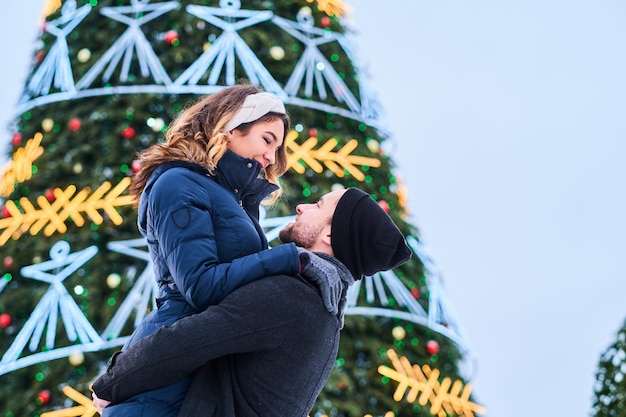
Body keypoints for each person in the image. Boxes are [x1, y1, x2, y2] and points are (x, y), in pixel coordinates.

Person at [106, 84, 329, 416]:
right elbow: (201, 285)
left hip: (199, 364)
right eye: (267, 139)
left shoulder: (233, 199)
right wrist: (288, 257)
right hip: (166, 373)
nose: (271, 157)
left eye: (277, 147)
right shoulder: (177, 183)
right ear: (232, 124)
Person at [91, 187, 412, 417]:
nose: (302, 207)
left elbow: (188, 340)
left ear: (330, 235)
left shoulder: (294, 297)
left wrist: (112, 383)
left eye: (317, 205)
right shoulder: (324, 314)